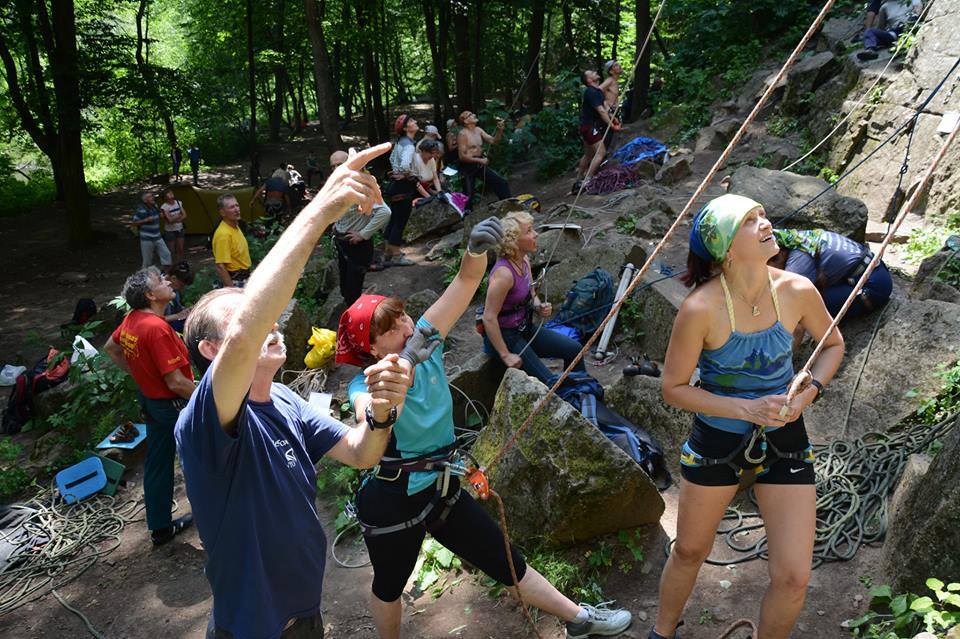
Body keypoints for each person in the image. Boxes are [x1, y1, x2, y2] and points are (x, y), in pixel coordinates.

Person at [338, 217, 632, 639]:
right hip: (392, 501)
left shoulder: (424, 339)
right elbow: (373, 414)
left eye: (402, 317)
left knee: (504, 557)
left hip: (441, 486)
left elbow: (463, 283)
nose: (406, 328)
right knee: (389, 585)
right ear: (370, 347)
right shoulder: (365, 384)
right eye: (390, 329)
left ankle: (579, 619)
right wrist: (400, 372)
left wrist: (476, 252)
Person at [175, 142, 412, 639]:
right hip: (255, 626)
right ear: (212, 350)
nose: (270, 324)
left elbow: (359, 452)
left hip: (305, 612)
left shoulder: (285, 400)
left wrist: (384, 413)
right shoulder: (204, 421)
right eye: (247, 318)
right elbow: (248, 328)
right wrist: (322, 209)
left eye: (265, 315)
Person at [650, 194, 845, 639]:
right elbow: (673, 388)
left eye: (762, 214)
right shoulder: (700, 308)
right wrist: (746, 408)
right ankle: (661, 632)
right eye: (749, 220)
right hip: (717, 443)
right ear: (724, 249)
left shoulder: (796, 290)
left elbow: (832, 345)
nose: (765, 223)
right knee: (689, 551)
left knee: (794, 576)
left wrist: (808, 392)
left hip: (785, 436)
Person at [103, 267, 196, 546]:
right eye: (161, 281)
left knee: (157, 461)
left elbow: (111, 347)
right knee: (201, 458)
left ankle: (160, 527)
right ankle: (219, 515)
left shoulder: (133, 319)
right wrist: (208, 396)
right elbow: (177, 383)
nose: (168, 281)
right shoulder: (155, 328)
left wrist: (141, 373)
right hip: (172, 404)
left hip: (151, 400)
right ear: (150, 295)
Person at [481, 210, 586, 385]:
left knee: (574, 349)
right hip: (506, 337)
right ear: (514, 241)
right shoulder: (503, 274)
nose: (536, 234)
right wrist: (505, 355)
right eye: (529, 231)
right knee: (550, 383)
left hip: (525, 328)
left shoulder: (524, 260)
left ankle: (583, 392)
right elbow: (488, 317)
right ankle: (568, 402)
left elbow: (531, 294)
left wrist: (538, 306)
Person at [768, 228, 892, 320]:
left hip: (873, 287)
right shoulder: (798, 239)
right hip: (876, 270)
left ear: (780, 254)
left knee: (805, 308)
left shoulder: (798, 262)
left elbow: (788, 303)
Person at [329, 150, 392, 305]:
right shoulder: (340, 185)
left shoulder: (362, 185)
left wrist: (363, 234)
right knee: (345, 289)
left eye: (340, 164)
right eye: (333, 166)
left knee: (352, 292)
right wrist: (337, 224)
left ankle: (357, 324)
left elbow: (385, 212)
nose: (337, 168)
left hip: (357, 246)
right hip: (343, 242)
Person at [380, 114, 420, 268]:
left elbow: (391, 160)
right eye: (411, 121)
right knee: (400, 222)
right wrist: (410, 174)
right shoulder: (409, 145)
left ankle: (388, 253)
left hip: (394, 186)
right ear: (405, 128)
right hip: (403, 187)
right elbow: (404, 165)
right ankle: (396, 256)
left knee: (395, 220)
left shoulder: (400, 143)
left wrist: (396, 171)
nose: (415, 121)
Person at [574, 70, 622, 194]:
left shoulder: (597, 92)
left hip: (587, 127)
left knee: (588, 154)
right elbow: (601, 111)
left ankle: (578, 181)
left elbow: (605, 107)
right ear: (589, 80)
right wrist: (611, 125)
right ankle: (587, 181)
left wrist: (613, 118)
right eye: (592, 73)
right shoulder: (591, 92)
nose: (595, 72)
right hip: (590, 127)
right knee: (600, 153)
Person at [457, 110, 510, 207]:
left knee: (501, 183)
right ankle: (465, 217)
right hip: (467, 167)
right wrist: (480, 160)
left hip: (479, 164)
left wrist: (500, 130)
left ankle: (508, 205)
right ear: (465, 121)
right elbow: (462, 156)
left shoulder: (478, 130)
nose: (474, 115)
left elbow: (494, 141)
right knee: (468, 196)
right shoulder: (463, 134)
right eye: (470, 115)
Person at [212, 194, 252, 288]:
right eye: (231, 207)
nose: (236, 209)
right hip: (235, 282)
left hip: (244, 277)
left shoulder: (235, 226)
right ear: (222, 212)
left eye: (237, 205)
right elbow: (220, 266)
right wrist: (231, 290)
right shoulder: (223, 234)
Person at [131, 192, 172, 269]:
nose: (153, 197)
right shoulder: (141, 210)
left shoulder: (154, 206)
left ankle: (167, 274)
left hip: (157, 236)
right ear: (145, 200)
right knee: (147, 260)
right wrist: (145, 220)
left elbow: (158, 213)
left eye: (152, 196)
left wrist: (161, 215)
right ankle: (145, 277)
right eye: (150, 197)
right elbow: (134, 223)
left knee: (166, 254)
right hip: (147, 238)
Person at [164, 261, 194, 333]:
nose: (182, 288)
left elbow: (177, 308)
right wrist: (177, 316)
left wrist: (186, 311)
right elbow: (154, 319)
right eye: (181, 285)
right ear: (173, 278)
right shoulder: (159, 291)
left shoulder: (174, 288)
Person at [160, 187, 188, 264]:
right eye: (169, 193)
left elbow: (185, 215)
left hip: (180, 228)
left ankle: (180, 263)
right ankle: (172, 265)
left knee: (180, 248)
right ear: (165, 197)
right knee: (171, 250)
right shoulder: (164, 207)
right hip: (170, 231)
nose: (171, 194)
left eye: (171, 192)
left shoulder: (178, 203)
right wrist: (178, 216)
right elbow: (169, 220)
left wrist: (174, 218)